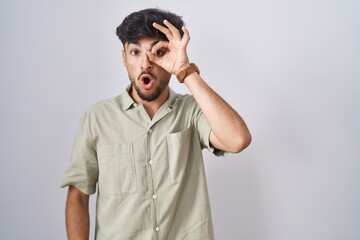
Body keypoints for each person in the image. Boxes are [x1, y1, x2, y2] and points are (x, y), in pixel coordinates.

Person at [60, 8, 251, 240]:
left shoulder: (191, 110)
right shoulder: (97, 118)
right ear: (123, 58)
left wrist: (185, 71)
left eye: (158, 52)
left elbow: (237, 139)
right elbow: (78, 195)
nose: (145, 63)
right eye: (135, 52)